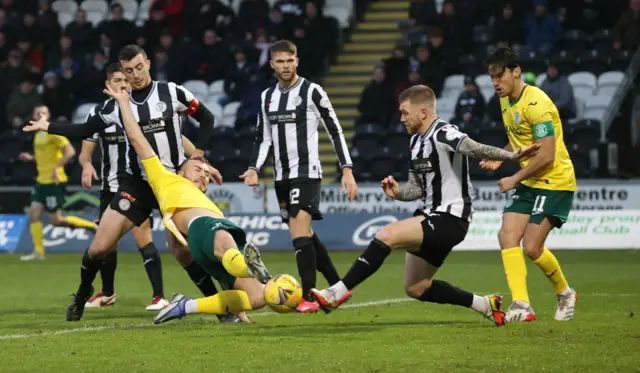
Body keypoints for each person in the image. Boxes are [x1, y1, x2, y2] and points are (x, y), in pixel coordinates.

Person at [311, 85, 540, 326]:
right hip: (434, 217)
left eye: (404, 112)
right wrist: (398, 193)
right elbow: (416, 189)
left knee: (386, 235)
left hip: (451, 218)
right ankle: (483, 304)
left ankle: (337, 292)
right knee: (416, 287)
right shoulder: (415, 141)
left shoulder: (444, 132)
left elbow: (473, 147)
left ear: (422, 112)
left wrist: (510, 156)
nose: (401, 118)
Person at [23, 45, 221, 322]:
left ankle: (219, 304)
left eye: (139, 67)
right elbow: (84, 130)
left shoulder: (172, 92)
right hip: (137, 184)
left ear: (148, 63)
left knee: (182, 250)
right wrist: (48, 127)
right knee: (100, 246)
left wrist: (198, 156)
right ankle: (82, 295)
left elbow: (207, 118)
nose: (135, 75)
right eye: (129, 71)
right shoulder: (114, 107)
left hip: (172, 183)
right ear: (122, 74)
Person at [95, 82, 272, 324]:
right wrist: (125, 104)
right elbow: (136, 138)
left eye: (206, 175)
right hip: (206, 228)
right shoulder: (164, 176)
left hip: (209, 238)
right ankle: (250, 267)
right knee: (223, 240)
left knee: (258, 298)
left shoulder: (202, 198)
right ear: (180, 171)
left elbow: (178, 248)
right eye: (197, 168)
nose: (202, 174)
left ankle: (189, 306)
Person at [240, 40, 358, 313]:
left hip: (307, 173)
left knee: (298, 235)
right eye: (279, 61)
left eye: (289, 60)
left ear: (297, 61)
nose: (285, 66)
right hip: (282, 177)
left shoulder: (312, 92)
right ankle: (337, 286)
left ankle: (307, 297)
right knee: (306, 234)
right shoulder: (266, 97)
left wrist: (346, 168)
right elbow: (263, 137)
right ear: (272, 64)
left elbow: (335, 130)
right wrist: (254, 168)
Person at [481, 47, 578, 322]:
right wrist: (502, 158)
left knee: (532, 247)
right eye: (491, 78)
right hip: (530, 178)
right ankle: (522, 305)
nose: (495, 83)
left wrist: (513, 178)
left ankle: (565, 292)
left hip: (554, 180)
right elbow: (519, 136)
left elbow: (546, 155)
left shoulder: (537, 103)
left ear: (516, 71)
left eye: (499, 76)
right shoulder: (505, 99)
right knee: (507, 236)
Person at [18, 104, 97, 261]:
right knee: (34, 214)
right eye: (37, 113)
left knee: (56, 220)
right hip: (42, 181)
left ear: (48, 115)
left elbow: (70, 152)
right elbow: (45, 155)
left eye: (44, 112)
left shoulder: (53, 132)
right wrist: (31, 158)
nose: (40, 114)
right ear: (33, 117)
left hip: (55, 181)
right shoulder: (38, 134)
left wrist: (57, 167)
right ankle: (39, 253)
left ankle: (92, 226)